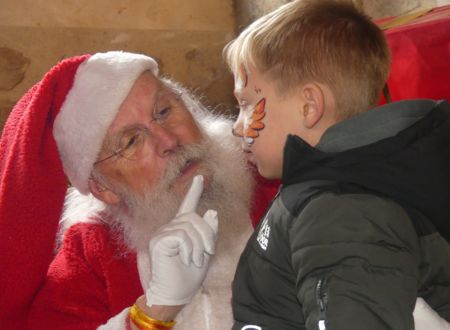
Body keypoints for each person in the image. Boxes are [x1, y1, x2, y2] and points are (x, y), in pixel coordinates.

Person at [224, 0, 450, 329]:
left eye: (245, 103)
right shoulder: (330, 187)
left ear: (309, 105)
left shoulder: (341, 213)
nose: (237, 126)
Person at [0, 51, 263, 329]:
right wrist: (155, 310)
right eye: (131, 142)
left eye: (164, 111)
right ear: (104, 189)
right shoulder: (92, 254)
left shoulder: (272, 174)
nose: (169, 140)